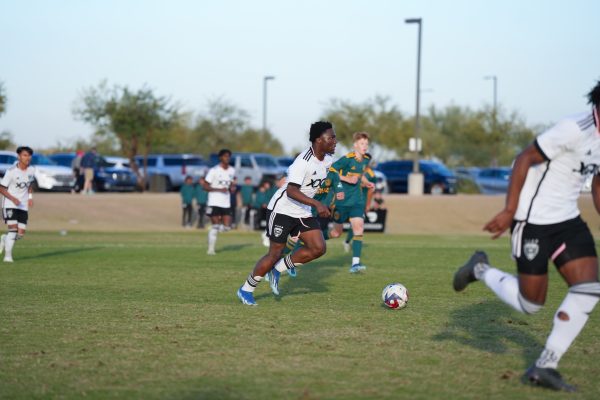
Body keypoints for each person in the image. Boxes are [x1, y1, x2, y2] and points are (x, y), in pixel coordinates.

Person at [453, 81, 600, 392]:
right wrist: (509, 211)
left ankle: (545, 366)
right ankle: (480, 269)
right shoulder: (574, 127)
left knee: (588, 288)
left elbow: (598, 183)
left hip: (568, 221)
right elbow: (524, 158)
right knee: (531, 303)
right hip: (532, 220)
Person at [237, 121, 337, 306]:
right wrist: (317, 204)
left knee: (318, 248)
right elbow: (291, 191)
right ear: (318, 140)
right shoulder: (303, 162)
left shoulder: (328, 160)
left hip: (303, 210)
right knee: (274, 253)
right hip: (282, 209)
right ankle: (246, 290)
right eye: (331, 137)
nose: (335, 140)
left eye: (334, 136)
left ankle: (277, 270)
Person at [329, 132, 375, 273]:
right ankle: (309, 239)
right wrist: (347, 179)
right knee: (337, 233)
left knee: (359, 227)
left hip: (357, 201)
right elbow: (330, 170)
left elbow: (360, 176)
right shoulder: (347, 159)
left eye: (366, 144)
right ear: (355, 145)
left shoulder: (366, 160)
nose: (365, 146)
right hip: (342, 202)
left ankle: (355, 264)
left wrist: (366, 182)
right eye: (362, 143)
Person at [0, 146, 41, 262]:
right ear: (19, 156)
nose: (27, 158)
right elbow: (2, 188)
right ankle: (8, 257)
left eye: (29, 155)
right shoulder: (11, 171)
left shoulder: (32, 170)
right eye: (25, 155)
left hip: (23, 205)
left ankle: (4, 238)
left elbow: (30, 185)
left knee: (20, 234)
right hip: (10, 204)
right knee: (13, 230)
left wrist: (30, 197)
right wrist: (13, 199)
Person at [202, 149, 236, 255]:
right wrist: (219, 189)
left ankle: (212, 231)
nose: (227, 158)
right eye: (225, 156)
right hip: (214, 201)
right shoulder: (214, 170)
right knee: (216, 225)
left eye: (229, 156)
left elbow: (231, 183)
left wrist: (232, 187)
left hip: (226, 202)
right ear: (220, 157)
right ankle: (211, 249)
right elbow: (205, 186)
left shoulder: (232, 170)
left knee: (227, 227)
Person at [343, 153, 377, 253]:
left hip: (361, 201)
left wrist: (368, 204)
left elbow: (371, 190)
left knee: (357, 222)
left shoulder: (371, 174)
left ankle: (347, 241)